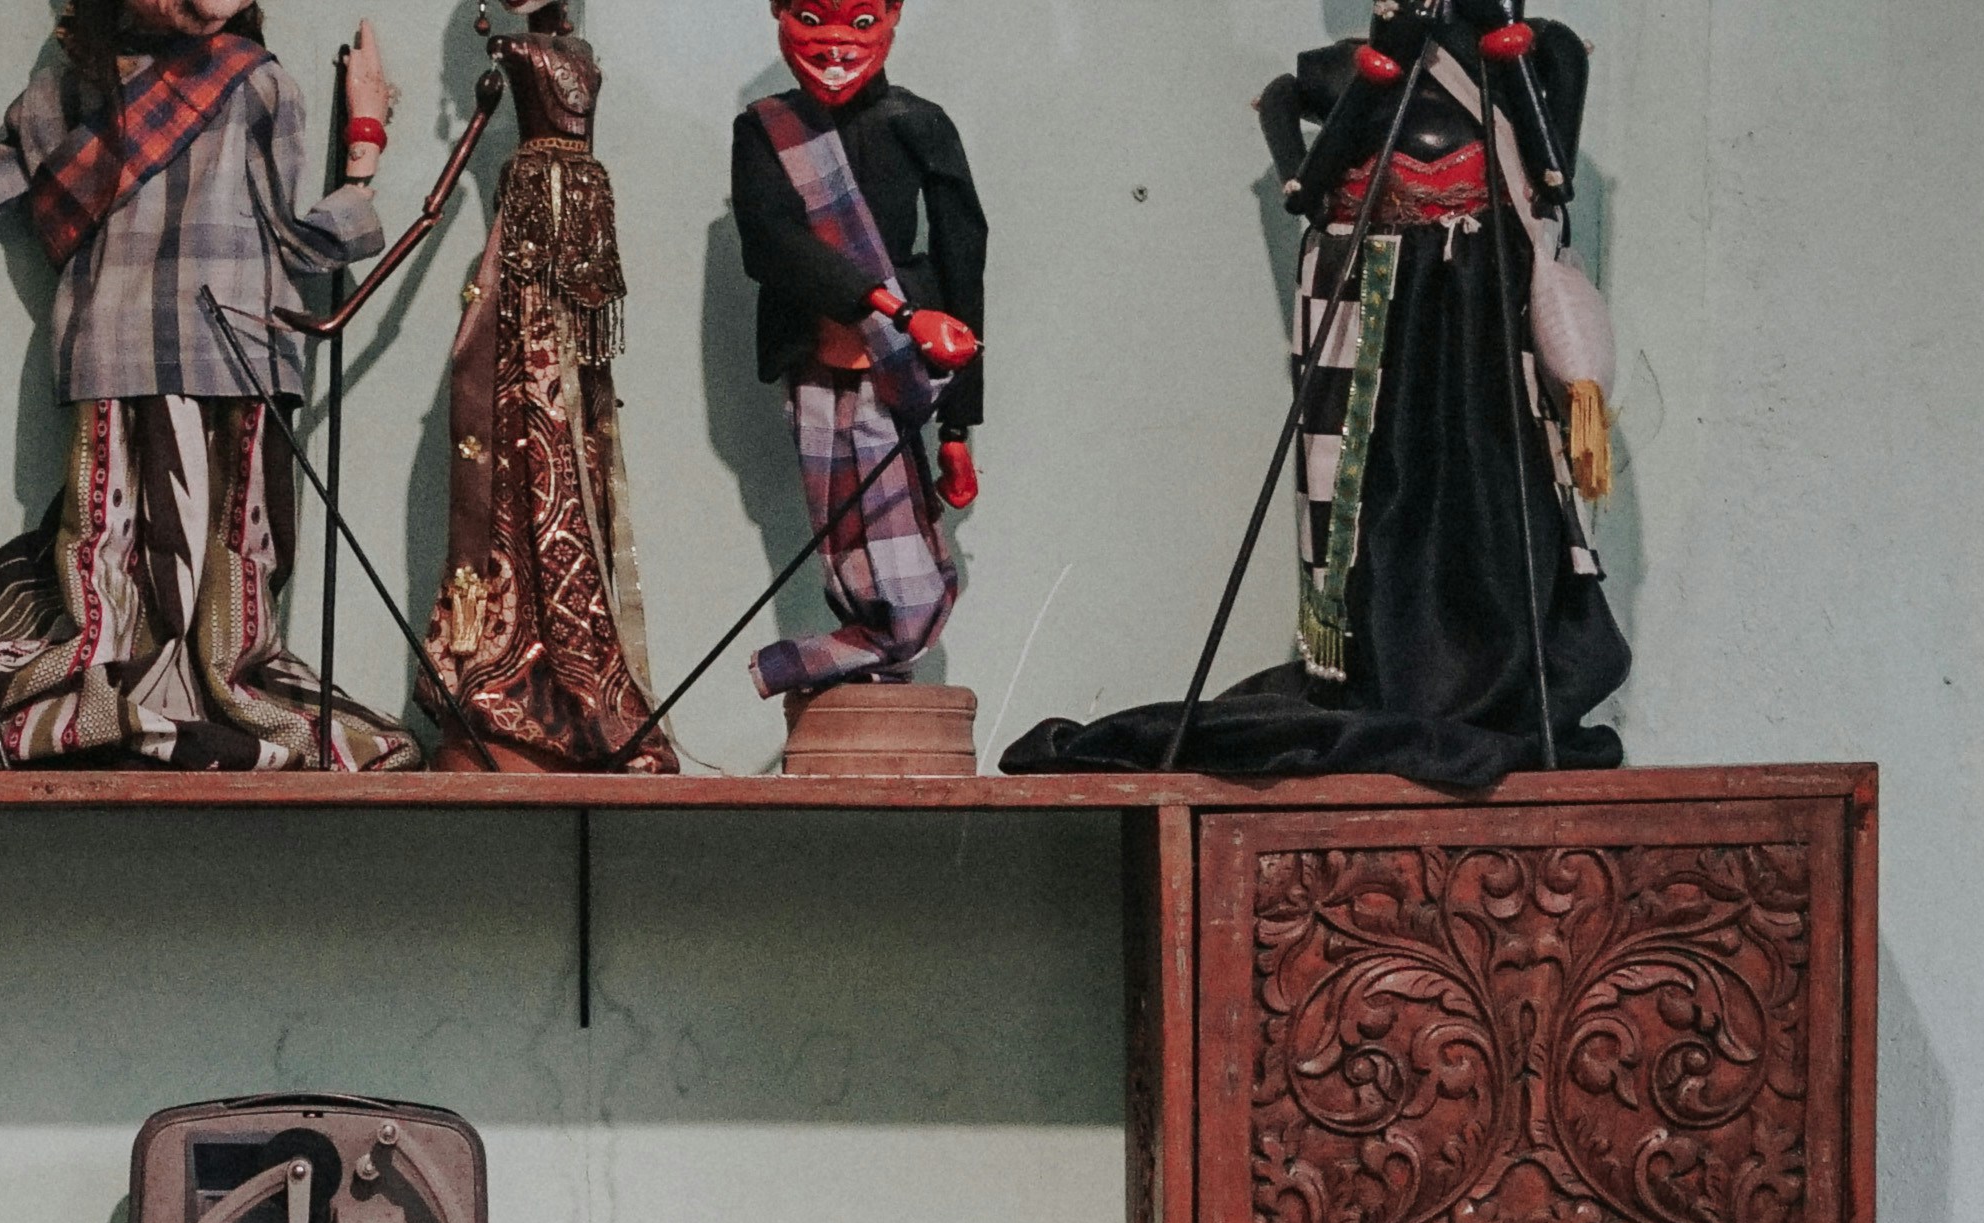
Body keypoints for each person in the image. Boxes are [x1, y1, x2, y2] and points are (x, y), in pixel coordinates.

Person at [0, 0, 418, 769]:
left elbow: (291, 236)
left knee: (225, 557)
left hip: (235, 356)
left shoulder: (256, 81)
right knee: (112, 554)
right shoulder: (64, 96)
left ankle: (180, 705)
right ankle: (142, 710)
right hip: (138, 348)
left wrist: (362, 138)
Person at [1014, 0, 1620, 792]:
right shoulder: (1326, 71)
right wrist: (1386, 60)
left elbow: (1551, 174)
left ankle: (1505, 677)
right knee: (1376, 491)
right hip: (1372, 302)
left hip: (1486, 302)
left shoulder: (1544, 55)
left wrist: (1493, 45)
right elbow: (1309, 189)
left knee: (1500, 488)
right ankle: (1387, 670)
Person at [416, 0, 668, 767]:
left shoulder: (575, 45)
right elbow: (464, 152)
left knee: (580, 442)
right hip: (529, 249)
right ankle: (509, 666)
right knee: (521, 422)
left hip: (580, 259)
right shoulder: (511, 53)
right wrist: (426, 217)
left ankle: (579, 666)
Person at [727, 0, 982, 713]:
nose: (836, 43)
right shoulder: (766, 130)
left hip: (900, 366)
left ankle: (844, 654)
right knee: (838, 534)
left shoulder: (919, 123)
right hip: (821, 355)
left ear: (894, 15)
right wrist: (898, 309)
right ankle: (863, 650)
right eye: (812, 16)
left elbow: (966, 261)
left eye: (861, 22)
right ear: (778, 12)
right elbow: (771, 245)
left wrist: (960, 428)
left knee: (905, 549)